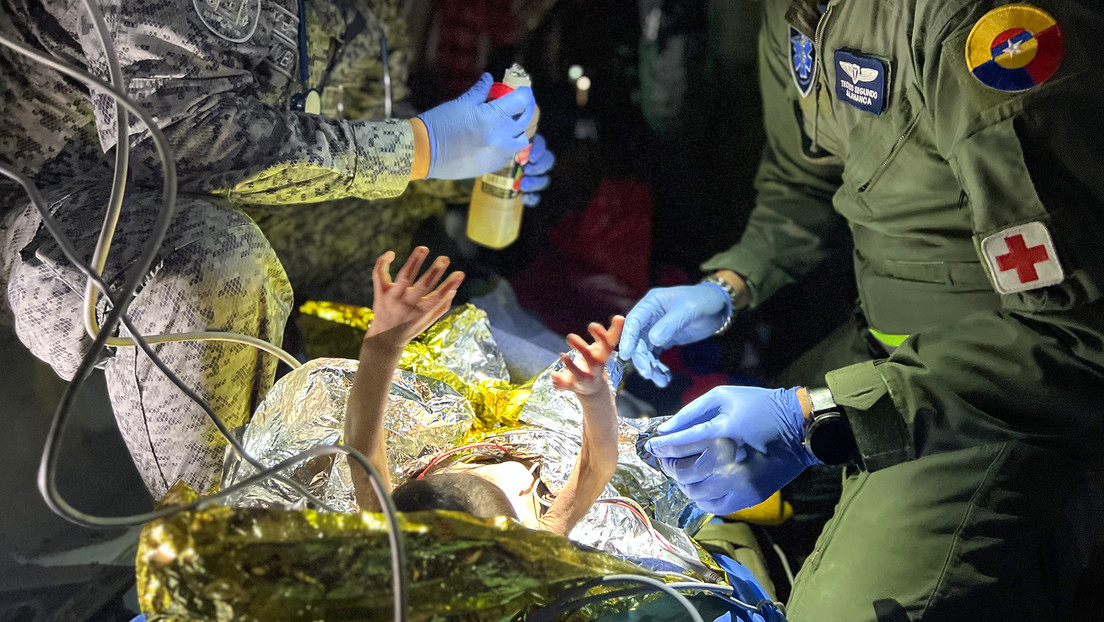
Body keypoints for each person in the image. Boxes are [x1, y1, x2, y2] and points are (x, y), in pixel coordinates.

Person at [620, 0, 1104, 619]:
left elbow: (1076, 336)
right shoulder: (801, 13)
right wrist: (732, 283)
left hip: (997, 382)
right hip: (883, 344)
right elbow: (802, 183)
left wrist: (819, 416)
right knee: (682, 507)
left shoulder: (975, 25)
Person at [0, 0, 551, 500]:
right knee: (210, 262)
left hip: (243, 203)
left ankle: (325, 463)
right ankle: (228, 555)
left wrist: (470, 162)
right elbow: (168, 140)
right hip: (58, 209)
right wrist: (420, 148)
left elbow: (346, 123)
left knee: (402, 256)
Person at [345, 246, 623, 536]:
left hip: (469, 427)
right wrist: (594, 395)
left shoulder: (390, 535)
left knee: (459, 326)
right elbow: (598, 464)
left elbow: (359, 445)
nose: (473, 473)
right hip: (541, 433)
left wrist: (384, 339)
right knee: (574, 357)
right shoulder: (539, 539)